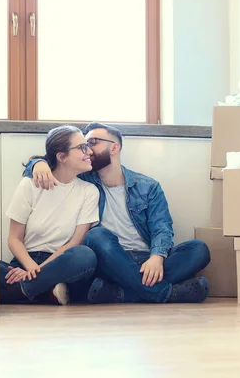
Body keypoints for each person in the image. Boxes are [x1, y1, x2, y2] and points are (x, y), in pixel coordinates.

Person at [23, 122, 211, 304]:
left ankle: (119, 293)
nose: (87, 150)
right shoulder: (83, 180)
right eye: (84, 146)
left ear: (114, 148)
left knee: (198, 249)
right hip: (107, 262)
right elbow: (53, 165)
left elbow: (162, 227)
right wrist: (37, 163)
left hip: (145, 260)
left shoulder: (147, 186)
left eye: (92, 143)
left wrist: (157, 257)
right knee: (96, 235)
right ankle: (164, 293)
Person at [0, 125, 100, 306]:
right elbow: (14, 239)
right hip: (26, 260)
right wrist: (31, 268)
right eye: (82, 147)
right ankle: (44, 291)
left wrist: (38, 272)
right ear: (61, 157)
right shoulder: (29, 184)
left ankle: (17, 292)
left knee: (85, 256)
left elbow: (74, 243)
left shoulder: (89, 191)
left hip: (61, 263)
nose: (89, 151)